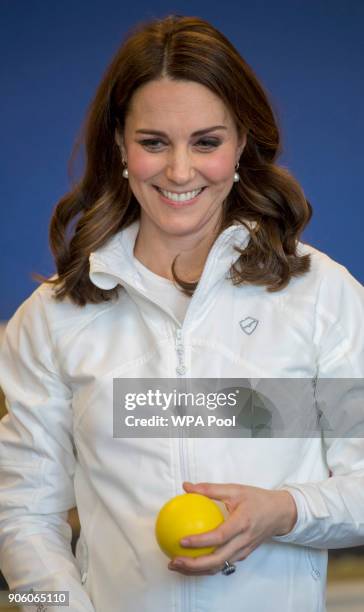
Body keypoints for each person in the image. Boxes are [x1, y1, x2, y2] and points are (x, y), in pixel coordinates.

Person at [0, 14, 363, 612]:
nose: (179, 171)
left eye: (206, 141)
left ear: (242, 142)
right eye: (153, 142)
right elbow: (22, 515)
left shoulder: (320, 294)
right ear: (118, 143)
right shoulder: (54, 316)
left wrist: (283, 511)